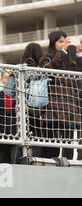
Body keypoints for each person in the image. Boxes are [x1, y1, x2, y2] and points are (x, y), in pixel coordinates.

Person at [41, 31, 78, 159]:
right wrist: (62, 53)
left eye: (65, 42)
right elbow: (49, 71)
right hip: (53, 108)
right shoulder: (46, 57)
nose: (63, 45)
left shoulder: (70, 58)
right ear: (53, 43)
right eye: (60, 42)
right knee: (52, 146)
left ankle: (66, 169)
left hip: (69, 106)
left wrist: (72, 51)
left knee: (68, 145)